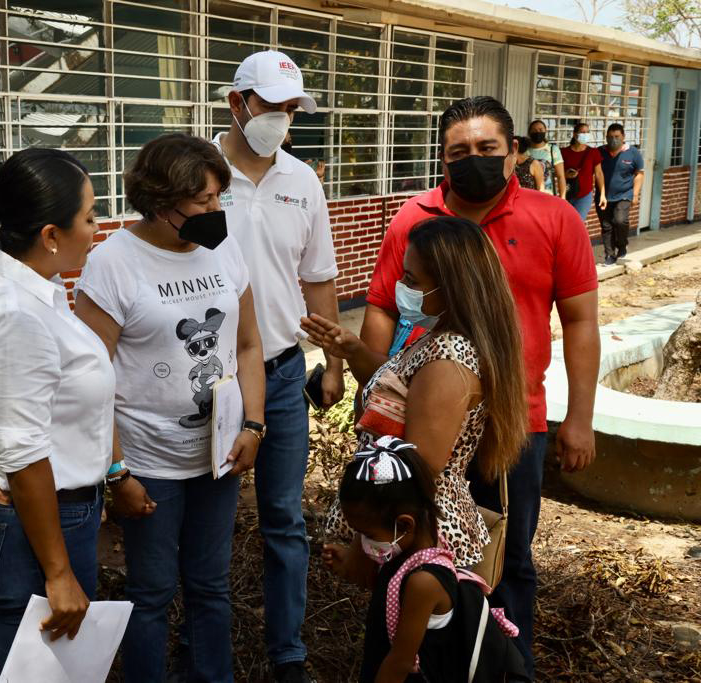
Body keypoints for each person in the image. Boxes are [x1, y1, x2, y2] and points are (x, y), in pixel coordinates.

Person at [359, 96, 601, 679]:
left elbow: (581, 321)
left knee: (503, 554)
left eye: (488, 149)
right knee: (411, 547)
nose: (474, 161)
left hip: (514, 423)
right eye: (458, 152)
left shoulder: (554, 217)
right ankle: (418, 653)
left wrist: (579, 418)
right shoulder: (414, 219)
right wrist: (373, 385)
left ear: (514, 154)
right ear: (442, 159)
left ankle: (505, 665)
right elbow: (382, 306)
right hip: (423, 420)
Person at [75, 133, 266, 683]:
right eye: (203, 201)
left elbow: (248, 343)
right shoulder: (113, 263)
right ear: (162, 202)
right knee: (151, 592)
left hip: (219, 455)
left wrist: (254, 422)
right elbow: (93, 379)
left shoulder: (223, 248)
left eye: (218, 198)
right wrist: (117, 472)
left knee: (211, 586)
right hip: (148, 463)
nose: (216, 211)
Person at [0, 148, 112, 676]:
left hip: (60, 511)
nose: (96, 227)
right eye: (89, 217)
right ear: (50, 234)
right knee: (43, 671)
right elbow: (24, 453)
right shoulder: (14, 315)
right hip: (36, 524)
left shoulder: (38, 287)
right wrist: (59, 572)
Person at [213, 50, 346, 683]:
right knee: (204, 523)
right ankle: (204, 649)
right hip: (207, 383)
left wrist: (333, 363)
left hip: (286, 372)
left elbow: (318, 279)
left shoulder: (303, 181)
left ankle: (287, 652)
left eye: (291, 109)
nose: (282, 120)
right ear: (237, 103)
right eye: (271, 106)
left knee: (284, 521)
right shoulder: (198, 175)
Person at [303, 215, 528, 570]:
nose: (400, 286)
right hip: (406, 533)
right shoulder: (438, 338)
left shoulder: (449, 360)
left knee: (403, 625)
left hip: (416, 540)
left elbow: (412, 474)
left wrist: (363, 557)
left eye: (411, 279)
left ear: (450, 287)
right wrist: (355, 352)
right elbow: (397, 395)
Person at [326, 437, 528, 683]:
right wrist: (347, 566)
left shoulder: (424, 581)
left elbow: (400, 661)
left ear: (404, 524)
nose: (364, 542)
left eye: (367, 534)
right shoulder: (405, 553)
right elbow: (391, 595)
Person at [597, 123, 645, 266]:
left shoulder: (633, 152)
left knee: (620, 220)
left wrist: (635, 194)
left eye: (617, 136)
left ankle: (622, 244)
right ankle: (610, 255)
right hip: (603, 195)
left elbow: (639, 173)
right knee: (606, 226)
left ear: (623, 136)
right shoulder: (600, 152)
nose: (614, 140)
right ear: (606, 137)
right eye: (610, 137)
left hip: (624, 194)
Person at [561, 123, 607, 223]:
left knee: (577, 223)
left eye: (587, 132)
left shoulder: (593, 152)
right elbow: (557, 173)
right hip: (566, 193)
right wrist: (565, 174)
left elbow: (599, 174)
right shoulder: (563, 152)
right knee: (565, 223)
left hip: (584, 195)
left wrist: (603, 194)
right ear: (574, 134)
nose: (585, 134)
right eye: (582, 132)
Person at [526, 120, 565, 198]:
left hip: (548, 196)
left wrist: (563, 198)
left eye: (540, 130)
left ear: (545, 131)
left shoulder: (552, 149)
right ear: (529, 132)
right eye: (534, 130)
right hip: (528, 196)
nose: (537, 132)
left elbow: (560, 176)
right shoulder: (524, 150)